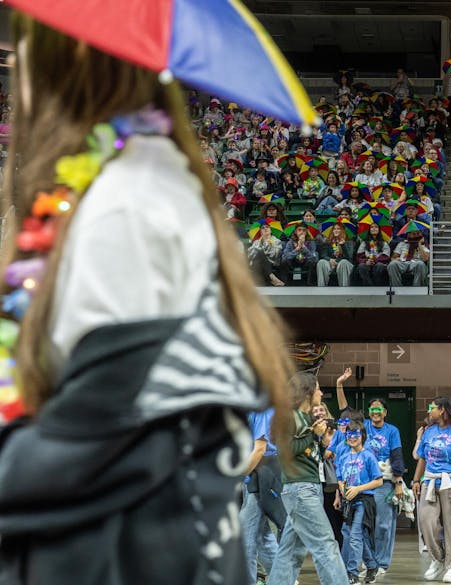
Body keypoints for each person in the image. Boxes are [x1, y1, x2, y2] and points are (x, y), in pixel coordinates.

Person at [0, 12, 295, 585]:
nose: (15, 75)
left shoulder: (130, 204)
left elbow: (101, 451)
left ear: (74, 58)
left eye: (24, 53)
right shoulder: (132, 183)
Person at [268, 373, 350, 585]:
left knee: (290, 553)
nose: (321, 392)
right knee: (326, 545)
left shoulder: (306, 419)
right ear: (307, 391)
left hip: (307, 488)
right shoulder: (290, 416)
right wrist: (313, 435)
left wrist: (319, 436)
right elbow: (285, 452)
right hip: (300, 489)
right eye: (319, 388)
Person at [335, 386, 406, 580]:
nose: (375, 413)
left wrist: (398, 481)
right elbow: (345, 410)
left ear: (385, 412)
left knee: (383, 524)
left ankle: (381, 562)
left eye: (379, 410)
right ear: (368, 413)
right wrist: (339, 385)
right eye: (372, 410)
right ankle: (369, 562)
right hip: (357, 482)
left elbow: (397, 455)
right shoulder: (361, 426)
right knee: (361, 527)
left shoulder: (392, 431)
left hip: (382, 481)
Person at [412, 396, 451, 584]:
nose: (429, 411)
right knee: (426, 520)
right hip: (429, 481)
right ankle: (438, 559)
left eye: (432, 408)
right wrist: (416, 480)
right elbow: (422, 458)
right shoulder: (429, 431)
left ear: (443, 410)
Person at [241, 407, 288, 585]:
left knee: (245, 538)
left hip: (262, 476)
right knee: (263, 538)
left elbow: (260, 448)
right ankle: (285, 580)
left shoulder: (263, 409)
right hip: (251, 478)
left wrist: (237, 474)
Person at [337, 421, 383, 585]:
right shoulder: (343, 457)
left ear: (362, 436)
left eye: (356, 434)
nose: (352, 437)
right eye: (349, 434)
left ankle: (352, 573)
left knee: (355, 535)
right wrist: (341, 491)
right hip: (349, 501)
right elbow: (340, 479)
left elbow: (378, 481)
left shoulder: (368, 456)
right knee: (351, 534)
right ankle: (371, 565)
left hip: (364, 500)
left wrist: (359, 488)